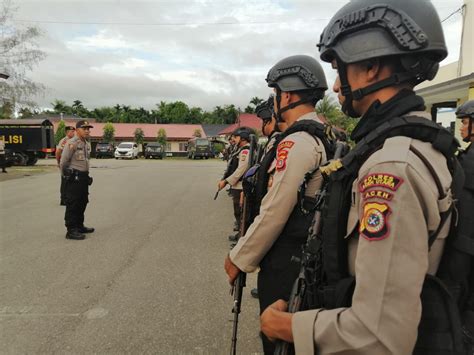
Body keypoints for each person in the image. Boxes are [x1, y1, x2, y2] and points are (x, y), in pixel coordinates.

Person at [260, 1, 465, 354]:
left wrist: (289, 326)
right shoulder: (410, 145)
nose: (337, 86)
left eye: (342, 69)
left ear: (370, 67)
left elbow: (380, 333)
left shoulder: (392, 166)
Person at [224, 54, 329, 354]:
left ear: (289, 94)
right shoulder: (319, 135)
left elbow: (275, 210)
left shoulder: (297, 143)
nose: (275, 99)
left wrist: (238, 257)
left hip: (288, 260)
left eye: (276, 93)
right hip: (302, 254)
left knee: (278, 341)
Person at [60, 120, 94, 240]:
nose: (87, 131)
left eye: (88, 129)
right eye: (84, 128)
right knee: (73, 203)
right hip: (74, 178)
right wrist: (65, 177)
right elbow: (63, 162)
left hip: (83, 177)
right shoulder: (72, 143)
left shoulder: (85, 143)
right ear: (77, 129)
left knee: (82, 202)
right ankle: (71, 230)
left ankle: (79, 225)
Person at [217, 128, 252, 241]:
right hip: (238, 184)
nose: (233, 139)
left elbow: (241, 169)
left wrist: (226, 181)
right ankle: (240, 235)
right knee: (238, 212)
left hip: (241, 185)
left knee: (241, 212)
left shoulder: (245, 151)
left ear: (242, 138)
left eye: (236, 137)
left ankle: (242, 237)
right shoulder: (240, 149)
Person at [56, 126, 76, 205]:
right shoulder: (64, 141)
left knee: (72, 182)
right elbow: (58, 152)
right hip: (65, 164)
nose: (73, 133)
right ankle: (63, 199)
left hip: (73, 164)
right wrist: (58, 162)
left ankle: (70, 198)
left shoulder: (74, 140)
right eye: (71, 131)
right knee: (65, 182)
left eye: (73, 131)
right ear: (67, 132)